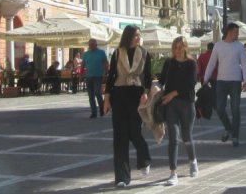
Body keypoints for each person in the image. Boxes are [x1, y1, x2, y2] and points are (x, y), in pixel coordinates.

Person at [104, 25, 152, 187]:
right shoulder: (117, 53)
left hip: (137, 95)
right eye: (136, 35)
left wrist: (145, 92)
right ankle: (122, 177)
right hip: (119, 94)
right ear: (129, 36)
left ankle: (144, 158)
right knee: (119, 136)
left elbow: (148, 76)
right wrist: (106, 99)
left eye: (139, 36)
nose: (138, 38)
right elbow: (111, 76)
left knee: (134, 132)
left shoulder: (144, 53)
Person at [158, 36, 199, 186]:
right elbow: (161, 80)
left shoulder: (191, 64)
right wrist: (149, 90)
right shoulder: (169, 63)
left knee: (186, 136)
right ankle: (173, 173)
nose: (177, 50)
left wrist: (173, 93)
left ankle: (192, 160)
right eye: (175, 47)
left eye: (180, 47)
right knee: (173, 138)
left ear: (185, 47)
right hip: (171, 106)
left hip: (187, 104)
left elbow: (191, 83)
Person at [204, 23, 246, 147]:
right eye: (236, 32)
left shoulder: (239, 46)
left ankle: (235, 136)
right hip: (221, 81)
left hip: (235, 81)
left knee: (235, 109)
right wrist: (206, 78)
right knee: (219, 108)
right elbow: (212, 63)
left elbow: (244, 64)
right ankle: (228, 128)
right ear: (229, 32)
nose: (237, 34)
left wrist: (245, 81)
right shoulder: (218, 46)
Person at [84, 39, 109, 118]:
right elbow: (83, 64)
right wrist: (81, 75)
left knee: (97, 92)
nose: (90, 46)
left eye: (92, 45)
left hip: (98, 76)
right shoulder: (86, 54)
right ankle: (94, 112)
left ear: (96, 45)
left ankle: (101, 108)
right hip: (89, 76)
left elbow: (105, 63)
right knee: (90, 95)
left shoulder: (101, 53)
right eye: (89, 45)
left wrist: (106, 73)